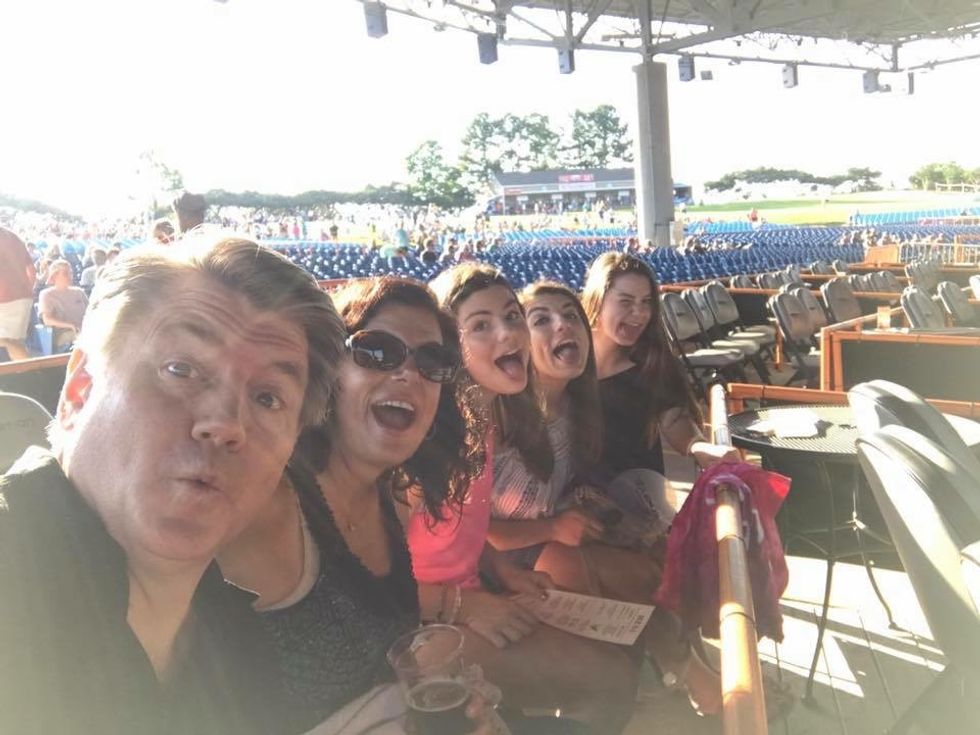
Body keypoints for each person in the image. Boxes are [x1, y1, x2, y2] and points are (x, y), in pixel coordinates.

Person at [0, 235, 345, 734]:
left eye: (268, 398)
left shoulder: (241, 645)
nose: (226, 424)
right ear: (80, 388)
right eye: (181, 369)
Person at [219, 278, 509, 734]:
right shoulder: (270, 507)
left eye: (431, 362)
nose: (408, 374)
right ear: (330, 373)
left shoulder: (393, 502)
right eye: (377, 351)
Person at [411, 264, 637, 734]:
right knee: (610, 681)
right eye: (481, 325)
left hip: (475, 593)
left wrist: (503, 570)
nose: (508, 333)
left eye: (512, 316)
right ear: (448, 346)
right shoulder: (421, 441)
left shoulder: (482, 427)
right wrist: (466, 606)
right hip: (421, 623)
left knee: (617, 658)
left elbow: (466, 532)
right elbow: (375, 579)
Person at [490, 278, 723, 716]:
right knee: (635, 576)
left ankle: (686, 673)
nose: (562, 325)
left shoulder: (574, 410)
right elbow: (476, 533)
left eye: (570, 315)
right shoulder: (500, 417)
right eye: (541, 320)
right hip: (502, 565)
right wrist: (553, 527)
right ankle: (693, 679)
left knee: (655, 558)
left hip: (547, 542)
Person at [581, 252, 740, 479]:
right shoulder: (566, 362)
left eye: (646, 302)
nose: (639, 313)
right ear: (597, 300)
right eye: (625, 301)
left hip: (641, 491)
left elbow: (673, 417)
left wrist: (698, 446)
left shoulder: (651, 361)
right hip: (580, 494)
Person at [0, 226, 36, 361]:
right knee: (15, 342)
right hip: (22, 297)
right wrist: (28, 290)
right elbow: (32, 269)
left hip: (5, 299)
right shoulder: (12, 236)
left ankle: (33, 370)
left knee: (8, 342)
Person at [38, 258, 89, 350]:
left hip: (85, 329)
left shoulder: (79, 292)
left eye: (71, 273)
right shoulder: (47, 295)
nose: (70, 276)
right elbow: (47, 319)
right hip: (65, 334)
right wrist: (70, 325)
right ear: (55, 276)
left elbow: (91, 311)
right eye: (66, 273)